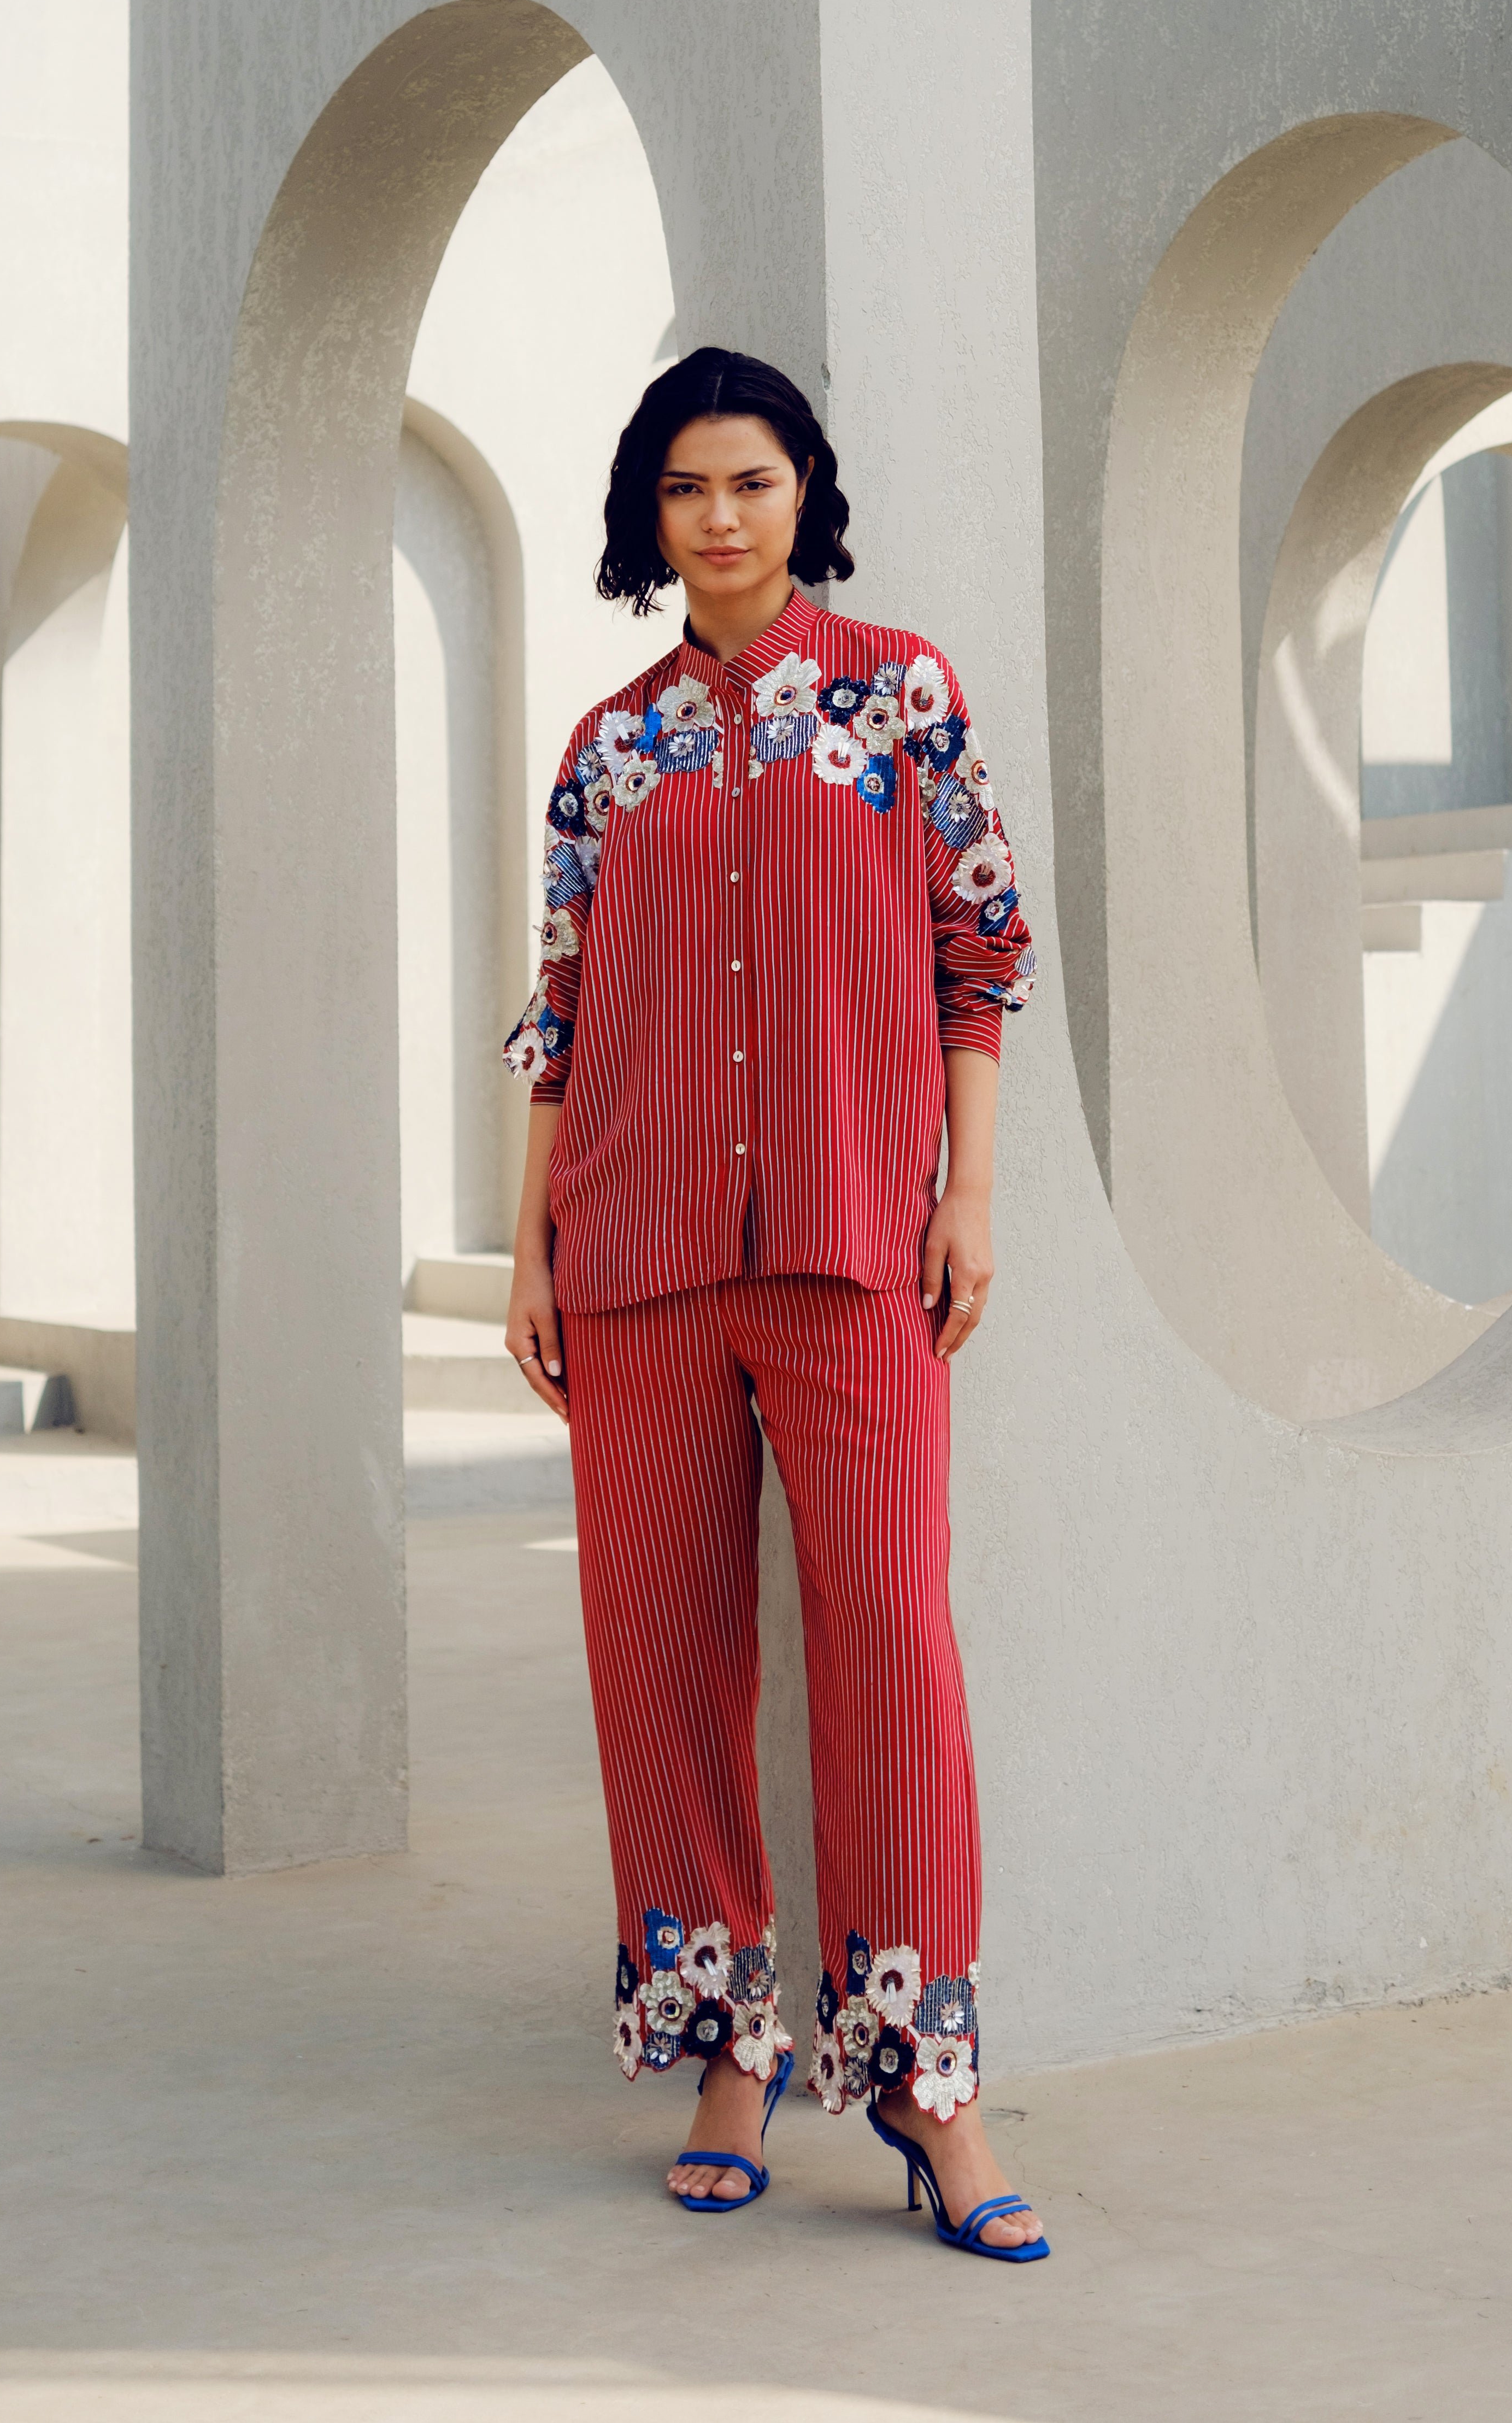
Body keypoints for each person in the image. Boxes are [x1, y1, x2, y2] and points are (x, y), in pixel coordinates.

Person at [502, 348, 1046, 2261]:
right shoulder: (606, 747)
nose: (717, 518)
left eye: (748, 481)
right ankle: (729, 2050)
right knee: (659, 1665)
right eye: (681, 490)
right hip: (639, 1255)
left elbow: (976, 955)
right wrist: (531, 1244)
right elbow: (559, 1021)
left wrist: (969, 1188)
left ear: (805, 491)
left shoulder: (904, 694)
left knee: (893, 1650)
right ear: (646, 520)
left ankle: (929, 2086)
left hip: (852, 1248)